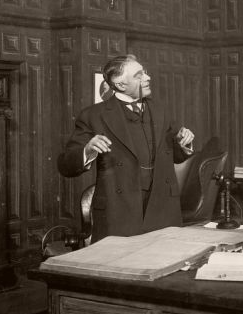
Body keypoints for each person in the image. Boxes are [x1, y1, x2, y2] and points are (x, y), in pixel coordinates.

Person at [57, 54, 194, 243]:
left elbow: (175, 156)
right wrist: (87, 150)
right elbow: (65, 165)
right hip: (119, 213)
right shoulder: (93, 115)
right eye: (139, 75)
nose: (148, 78)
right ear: (120, 84)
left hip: (162, 207)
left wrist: (182, 143)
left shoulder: (160, 109)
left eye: (145, 72)